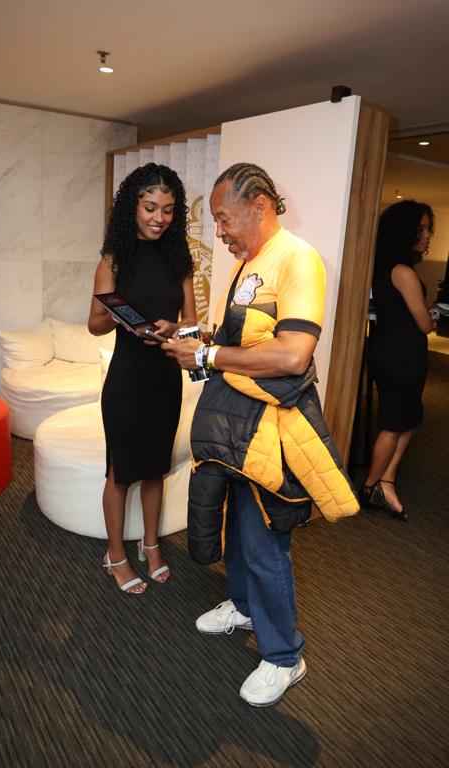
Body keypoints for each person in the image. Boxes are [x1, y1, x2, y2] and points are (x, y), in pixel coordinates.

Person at [164, 162, 359, 706]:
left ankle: (283, 656)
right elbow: (244, 342)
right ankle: (244, 605)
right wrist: (197, 339)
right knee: (237, 526)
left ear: (260, 206)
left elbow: (292, 354)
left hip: (271, 427)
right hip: (235, 420)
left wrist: (207, 356)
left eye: (224, 219)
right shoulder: (249, 262)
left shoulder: (297, 258)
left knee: (265, 539)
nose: (220, 231)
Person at [88, 163, 196, 594]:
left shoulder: (179, 261)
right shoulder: (113, 260)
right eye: (150, 207)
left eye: (168, 210)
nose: (158, 218)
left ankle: (150, 544)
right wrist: (120, 319)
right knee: (121, 472)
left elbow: (192, 324)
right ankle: (115, 554)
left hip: (165, 380)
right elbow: (94, 325)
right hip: (128, 380)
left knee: (155, 469)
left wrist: (175, 328)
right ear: (132, 207)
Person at [359, 200, 436, 520]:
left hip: (392, 349)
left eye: (428, 228)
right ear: (404, 232)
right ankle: (370, 488)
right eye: (421, 229)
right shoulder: (403, 272)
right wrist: (434, 316)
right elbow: (424, 324)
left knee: (407, 418)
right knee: (394, 424)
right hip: (401, 354)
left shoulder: (384, 269)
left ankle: (386, 482)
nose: (428, 235)